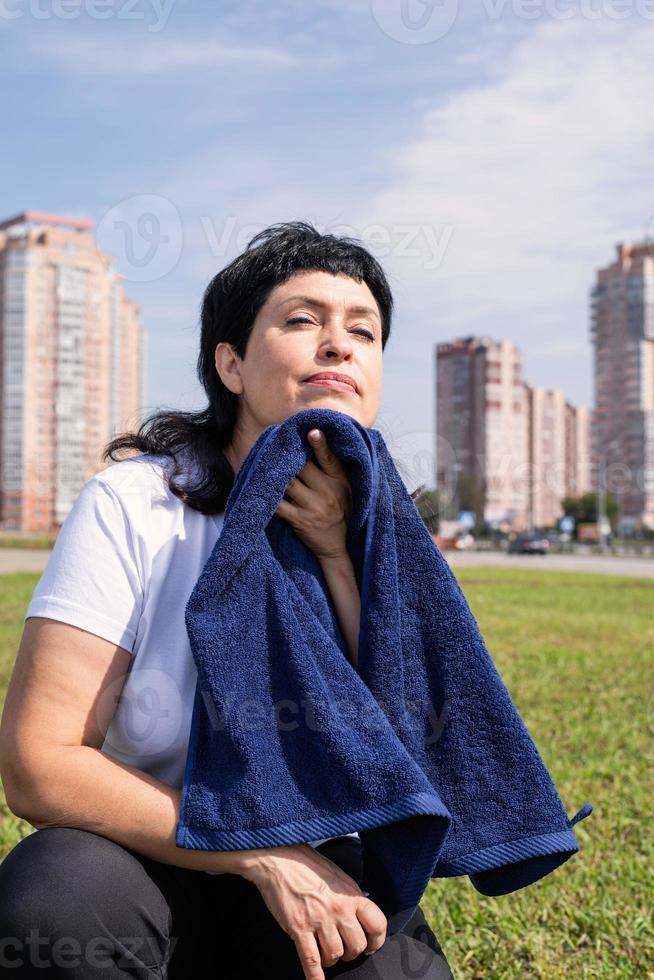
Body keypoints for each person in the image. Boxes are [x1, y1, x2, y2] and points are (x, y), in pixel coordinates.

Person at [0, 221, 455, 979]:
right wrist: (263, 853)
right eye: (303, 319)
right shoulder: (138, 505)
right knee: (51, 903)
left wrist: (340, 556)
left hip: (322, 849)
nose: (339, 344)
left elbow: (416, 759)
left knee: (385, 966)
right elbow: (37, 764)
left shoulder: (387, 534)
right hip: (145, 853)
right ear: (232, 364)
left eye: (363, 331)